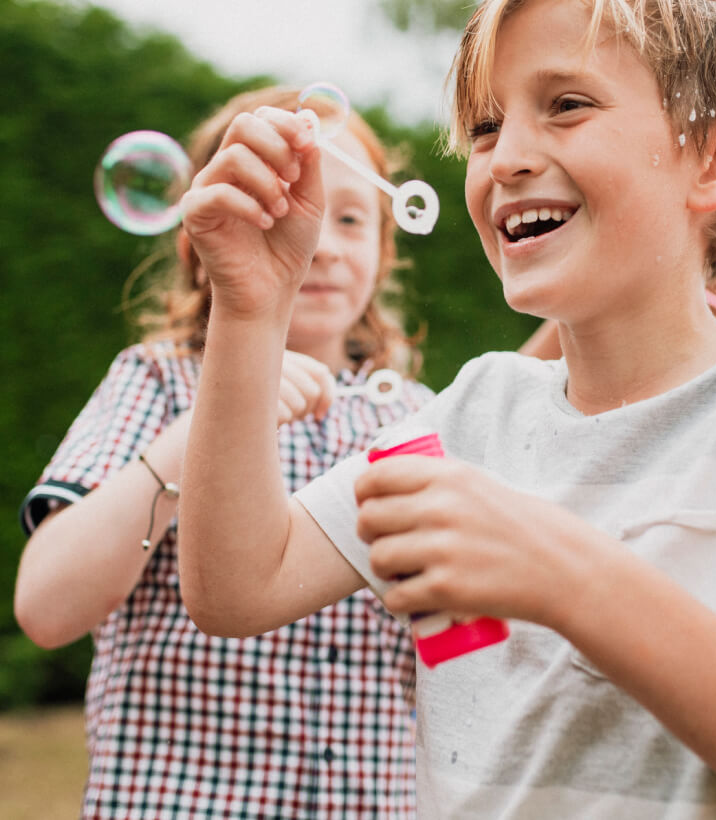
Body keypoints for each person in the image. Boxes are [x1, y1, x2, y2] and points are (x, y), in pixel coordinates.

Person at [176, 1, 716, 817]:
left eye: (566, 105)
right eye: (485, 127)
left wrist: (566, 575)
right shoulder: (475, 414)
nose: (507, 159)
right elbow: (239, 584)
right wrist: (252, 308)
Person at [15, 86, 435, 819]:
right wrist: (195, 432)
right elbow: (47, 606)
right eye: (282, 210)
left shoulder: (414, 416)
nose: (321, 244)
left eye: (349, 219)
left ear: (384, 249)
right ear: (203, 242)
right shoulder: (160, 381)